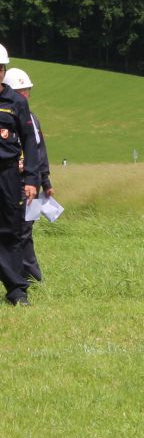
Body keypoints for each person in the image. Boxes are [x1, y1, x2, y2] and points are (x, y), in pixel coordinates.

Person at [0, 43, 40, 306]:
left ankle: (16, 290)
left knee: (11, 231)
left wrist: (31, 180)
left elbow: (29, 142)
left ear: (2, 71)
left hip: (8, 175)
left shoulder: (15, 102)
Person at [3, 67, 48, 282]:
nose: (25, 95)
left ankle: (31, 275)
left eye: (27, 91)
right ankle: (21, 275)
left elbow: (40, 152)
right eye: (20, 91)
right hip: (13, 181)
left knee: (27, 230)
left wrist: (45, 180)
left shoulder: (34, 120)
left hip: (33, 184)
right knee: (17, 230)